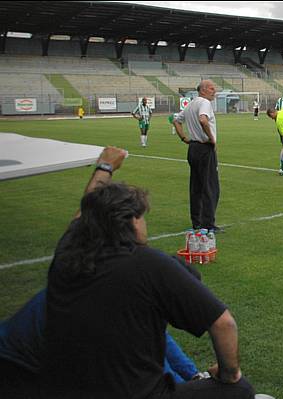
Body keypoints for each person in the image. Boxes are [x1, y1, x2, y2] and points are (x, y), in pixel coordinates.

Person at [37, 145, 255, 398]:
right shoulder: (147, 264)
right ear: (131, 221)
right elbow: (224, 324)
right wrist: (229, 375)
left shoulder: (67, 254)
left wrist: (104, 168)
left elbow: (85, 215)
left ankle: (190, 374)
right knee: (240, 389)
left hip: (65, 387)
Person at [0, 289, 207, 392]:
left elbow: (162, 339)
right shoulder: (118, 313)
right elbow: (153, 369)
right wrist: (187, 389)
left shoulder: (132, 295)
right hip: (15, 369)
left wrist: (194, 375)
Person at [173, 80, 221, 233]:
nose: (215, 91)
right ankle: (208, 224)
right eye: (212, 88)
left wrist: (184, 138)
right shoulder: (204, 103)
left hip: (193, 148)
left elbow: (176, 120)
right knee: (210, 186)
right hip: (204, 148)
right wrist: (211, 138)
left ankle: (197, 222)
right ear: (204, 90)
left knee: (196, 187)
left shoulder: (191, 104)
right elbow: (203, 119)